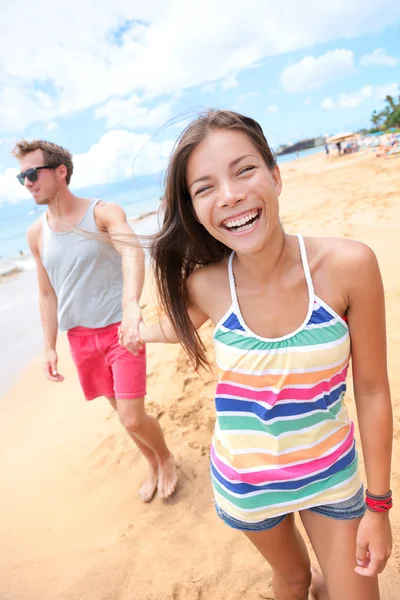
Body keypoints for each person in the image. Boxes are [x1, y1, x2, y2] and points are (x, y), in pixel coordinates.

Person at [121, 110, 393, 599]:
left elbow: (372, 389)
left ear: (276, 175)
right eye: (205, 188)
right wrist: (133, 327)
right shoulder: (205, 285)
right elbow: (171, 325)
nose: (229, 194)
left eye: (244, 170)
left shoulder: (350, 266)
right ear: (196, 210)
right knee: (291, 579)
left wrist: (379, 505)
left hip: (331, 476)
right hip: (248, 483)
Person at [12, 139, 177, 502]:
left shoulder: (103, 212)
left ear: (60, 171)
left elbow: (132, 251)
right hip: (80, 339)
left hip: (120, 329)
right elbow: (47, 294)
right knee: (122, 415)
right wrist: (49, 347)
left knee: (132, 417)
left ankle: (165, 458)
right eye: (20, 176)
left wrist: (132, 305)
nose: (26, 182)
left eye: (31, 173)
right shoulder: (36, 233)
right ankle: (151, 462)